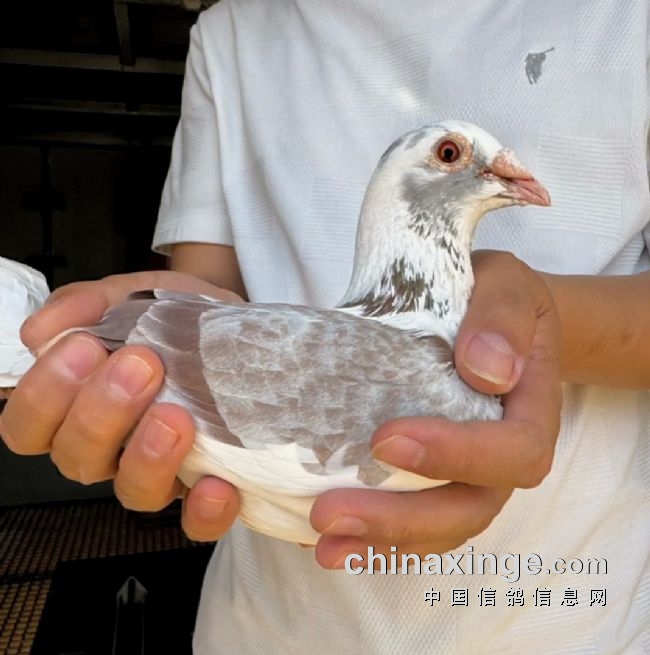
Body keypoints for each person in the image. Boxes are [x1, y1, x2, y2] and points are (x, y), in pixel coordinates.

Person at [2, 1, 650, 652]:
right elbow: (212, 292)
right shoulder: (233, 30)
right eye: (454, 155)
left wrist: (537, 322)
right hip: (271, 622)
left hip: (573, 614)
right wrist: (110, 372)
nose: (507, 171)